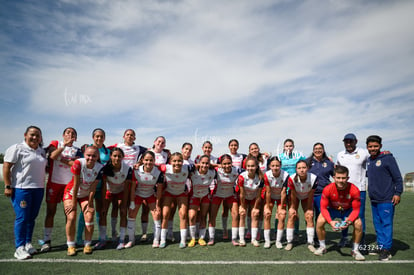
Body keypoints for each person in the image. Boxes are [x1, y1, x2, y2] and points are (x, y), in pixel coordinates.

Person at [3, 126, 47, 260]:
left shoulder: (41, 151)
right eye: (32, 135)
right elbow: (6, 166)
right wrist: (7, 185)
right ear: (25, 135)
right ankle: (19, 247)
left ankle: (28, 243)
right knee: (22, 218)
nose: (35, 138)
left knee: (31, 218)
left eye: (37, 136)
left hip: (38, 188)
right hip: (22, 188)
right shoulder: (17, 148)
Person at [40, 127, 82, 252]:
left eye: (73, 133)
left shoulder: (77, 150)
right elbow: (52, 155)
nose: (70, 134)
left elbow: (74, 165)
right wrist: (63, 147)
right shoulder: (56, 143)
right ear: (63, 135)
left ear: (76, 137)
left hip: (69, 185)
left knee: (69, 214)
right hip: (54, 183)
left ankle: (70, 241)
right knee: (50, 212)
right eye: (68, 132)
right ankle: (46, 241)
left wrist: (61, 159)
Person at [314, 165, 365, 261]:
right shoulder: (327, 189)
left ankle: (355, 250)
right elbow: (323, 208)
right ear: (334, 178)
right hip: (333, 209)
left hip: (347, 210)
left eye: (343, 178)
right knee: (320, 221)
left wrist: (348, 221)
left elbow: (356, 210)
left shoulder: (354, 190)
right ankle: (322, 247)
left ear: (347, 178)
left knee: (358, 224)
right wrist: (330, 222)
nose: (340, 180)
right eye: (338, 178)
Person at [366, 135, 403, 261]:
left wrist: (398, 193)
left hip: (387, 199)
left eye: (375, 146)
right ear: (367, 147)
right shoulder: (369, 161)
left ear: (380, 146)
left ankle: (386, 250)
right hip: (374, 199)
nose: (373, 148)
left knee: (386, 224)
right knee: (378, 224)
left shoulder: (388, 158)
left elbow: (397, 177)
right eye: (370, 146)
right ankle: (381, 246)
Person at [63, 146, 104, 256]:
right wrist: (73, 202)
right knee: (71, 217)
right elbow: (76, 185)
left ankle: (87, 244)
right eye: (88, 155)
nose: (91, 158)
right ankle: (71, 245)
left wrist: (90, 204)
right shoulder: (78, 163)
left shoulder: (100, 167)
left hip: (85, 195)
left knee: (89, 215)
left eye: (94, 156)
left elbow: (92, 188)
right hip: (71, 193)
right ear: (84, 155)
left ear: (98, 156)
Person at [109, 129, 147, 242]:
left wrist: (139, 163)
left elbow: (151, 150)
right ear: (123, 136)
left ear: (134, 138)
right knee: (116, 206)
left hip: (131, 179)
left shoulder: (138, 148)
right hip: (117, 178)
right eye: (128, 135)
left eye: (132, 135)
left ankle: (129, 231)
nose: (130, 136)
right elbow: (103, 148)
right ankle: (114, 232)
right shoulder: (118, 145)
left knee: (127, 207)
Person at [77, 128, 111, 247]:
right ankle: (78, 237)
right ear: (93, 137)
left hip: (102, 185)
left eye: (101, 136)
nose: (99, 138)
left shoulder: (107, 151)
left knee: (99, 211)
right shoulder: (87, 149)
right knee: (84, 212)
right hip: (88, 185)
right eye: (97, 136)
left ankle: (102, 236)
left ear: (104, 138)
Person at [336, 133, 369, 247]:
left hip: (359, 190)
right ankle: (344, 237)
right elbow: (337, 171)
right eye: (346, 141)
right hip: (343, 191)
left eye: (351, 141)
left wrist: (384, 153)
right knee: (344, 215)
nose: (348, 143)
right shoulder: (340, 155)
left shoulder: (364, 153)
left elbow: (375, 159)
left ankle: (360, 240)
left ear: (356, 141)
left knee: (359, 216)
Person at [127, 151, 164, 248]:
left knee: (157, 214)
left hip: (150, 194)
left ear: (154, 161)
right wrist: (131, 202)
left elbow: (159, 190)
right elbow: (132, 188)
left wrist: (158, 205)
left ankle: (156, 240)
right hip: (138, 194)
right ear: (142, 160)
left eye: (151, 160)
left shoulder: (158, 173)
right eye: (146, 160)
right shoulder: (136, 171)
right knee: (131, 214)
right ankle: (131, 240)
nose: (148, 162)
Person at [99, 148, 132, 250]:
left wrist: (124, 205)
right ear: (111, 156)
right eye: (114, 156)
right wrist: (104, 202)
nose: (117, 158)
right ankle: (103, 239)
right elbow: (104, 187)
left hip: (121, 191)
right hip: (109, 191)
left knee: (122, 212)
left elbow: (127, 189)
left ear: (123, 157)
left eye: (119, 156)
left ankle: (121, 240)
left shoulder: (128, 169)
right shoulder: (105, 168)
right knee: (103, 212)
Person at [159, 152, 191, 248]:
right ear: (170, 162)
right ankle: (163, 239)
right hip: (169, 193)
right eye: (174, 161)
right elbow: (154, 165)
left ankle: (183, 240)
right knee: (165, 214)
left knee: (183, 215)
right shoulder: (165, 168)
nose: (177, 163)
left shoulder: (188, 168)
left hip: (181, 193)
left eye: (179, 161)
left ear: (183, 162)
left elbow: (202, 165)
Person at [208, 154, 241, 246]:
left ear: (232, 163)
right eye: (224, 164)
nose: (227, 166)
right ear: (221, 164)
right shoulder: (217, 170)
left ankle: (234, 238)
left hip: (230, 195)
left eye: (229, 163)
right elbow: (207, 165)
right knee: (212, 216)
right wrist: (218, 165)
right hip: (217, 195)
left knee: (235, 215)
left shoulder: (236, 170)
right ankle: (211, 237)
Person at [286, 160, 318, 252]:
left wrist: (309, 209)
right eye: (299, 168)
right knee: (291, 215)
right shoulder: (291, 178)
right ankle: (289, 241)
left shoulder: (313, 178)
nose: (302, 170)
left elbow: (311, 194)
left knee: (309, 216)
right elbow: (292, 194)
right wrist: (292, 207)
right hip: (295, 196)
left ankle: (310, 242)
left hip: (307, 196)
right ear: (296, 169)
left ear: (307, 168)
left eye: (304, 167)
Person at [278, 138, 306, 236]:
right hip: (282, 186)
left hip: (295, 186)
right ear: (284, 147)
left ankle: (296, 231)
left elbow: (308, 162)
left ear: (293, 147)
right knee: (280, 210)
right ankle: (277, 231)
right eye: (287, 146)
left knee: (293, 210)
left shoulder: (298, 156)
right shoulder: (280, 156)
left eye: (290, 146)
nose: (288, 148)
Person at [188, 155, 216, 247]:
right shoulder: (193, 172)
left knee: (203, 216)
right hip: (194, 196)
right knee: (192, 216)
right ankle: (192, 238)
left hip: (205, 196)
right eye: (203, 163)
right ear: (199, 163)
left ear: (209, 164)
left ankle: (201, 237)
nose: (204, 165)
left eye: (207, 163)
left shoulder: (212, 172)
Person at [263, 156, 290, 249]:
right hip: (270, 196)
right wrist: (267, 206)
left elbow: (283, 192)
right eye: (273, 165)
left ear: (280, 165)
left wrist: (282, 208)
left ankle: (278, 241)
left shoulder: (286, 175)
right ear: (270, 166)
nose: (275, 168)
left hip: (280, 197)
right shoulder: (266, 175)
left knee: (282, 216)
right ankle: (267, 241)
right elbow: (268, 191)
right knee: (267, 214)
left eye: (277, 165)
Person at [237, 156, 264, 247]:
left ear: (256, 166)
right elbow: (242, 194)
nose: (250, 168)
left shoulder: (260, 178)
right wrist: (242, 206)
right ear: (245, 166)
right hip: (244, 198)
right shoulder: (242, 177)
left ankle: (253, 239)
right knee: (242, 214)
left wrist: (256, 207)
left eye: (252, 166)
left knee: (255, 215)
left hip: (254, 198)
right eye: (248, 166)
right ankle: (241, 239)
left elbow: (258, 195)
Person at [306, 143, 334, 227]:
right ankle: (309, 236)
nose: (318, 150)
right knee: (309, 215)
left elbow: (335, 176)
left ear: (323, 150)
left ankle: (318, 237)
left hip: (322, 193)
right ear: (313, 150)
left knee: (320, 216)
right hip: (309, 193)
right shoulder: (307, 162)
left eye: (320, 148)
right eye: (316, 149)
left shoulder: (329, 163)